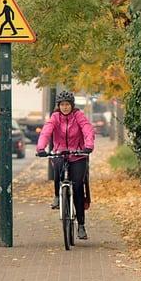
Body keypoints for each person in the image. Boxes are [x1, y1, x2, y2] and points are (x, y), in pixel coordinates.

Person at [37, 91, 95, 240]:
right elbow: (46, 132)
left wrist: (88, 146)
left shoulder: (78, 116)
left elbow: (87, 129)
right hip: (60, 152)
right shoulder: (55, 117)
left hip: (78, 154)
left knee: (77, 188)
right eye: (62, 105)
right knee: (57, 166)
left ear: (72, 105)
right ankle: (57, 195)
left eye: (67, 104)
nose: (65, 107)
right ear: (58, 106)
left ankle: (81, 225)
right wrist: (41, 148)